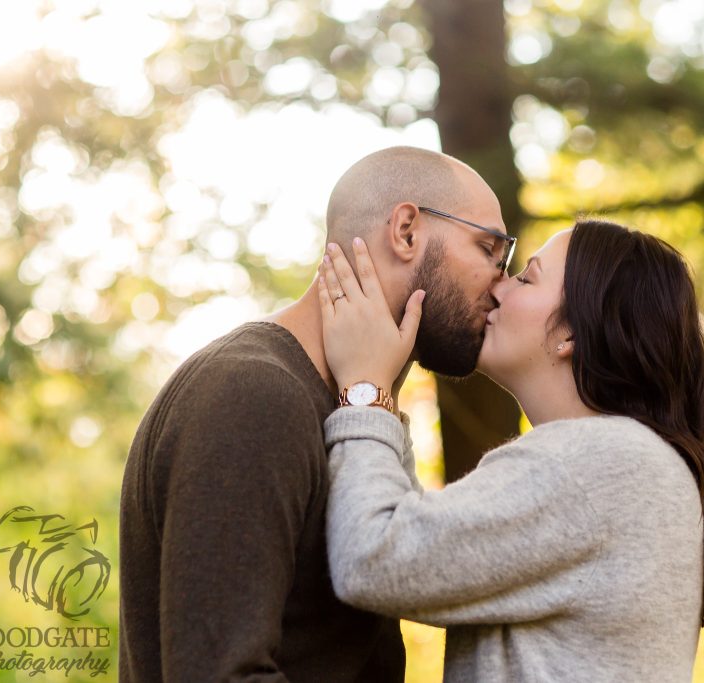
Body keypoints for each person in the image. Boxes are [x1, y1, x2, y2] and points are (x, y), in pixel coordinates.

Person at [118, 145, 517, 681]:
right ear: (406, 232)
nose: (503, 283)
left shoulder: (354, 416)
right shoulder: (253, 396)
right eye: (490, 249)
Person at [316, 220, 704, 682]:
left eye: (526, 277)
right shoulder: (628, 463)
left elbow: (373, 559)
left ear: (571, 335)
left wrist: (365, 388)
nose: (499, 285)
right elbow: (420, 554)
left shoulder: (600, 462)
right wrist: (383, 390)